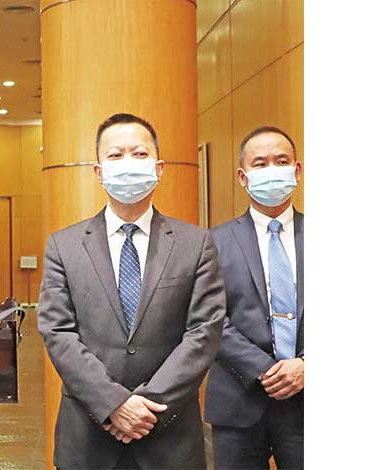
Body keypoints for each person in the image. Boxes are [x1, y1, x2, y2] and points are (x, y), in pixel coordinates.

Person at [37, 113, 226, 469]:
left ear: (159, 168)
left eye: (139, 154)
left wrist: (146, 408)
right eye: (115, 154)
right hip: (88, 438)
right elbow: (57, 332)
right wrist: (113, 404)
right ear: (98, 171)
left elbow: (204, 331)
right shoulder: (64, 245)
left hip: (169, 437)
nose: (127, 163)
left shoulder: (196, 244)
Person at [205, 126, 304, 469]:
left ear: (297, 170)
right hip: (238, 401)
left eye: (281, 161)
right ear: (242, 177)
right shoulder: (212, 242)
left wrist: (306, 365)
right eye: (260, 164)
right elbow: (210, 318)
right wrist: (266, 370)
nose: (272, 170)